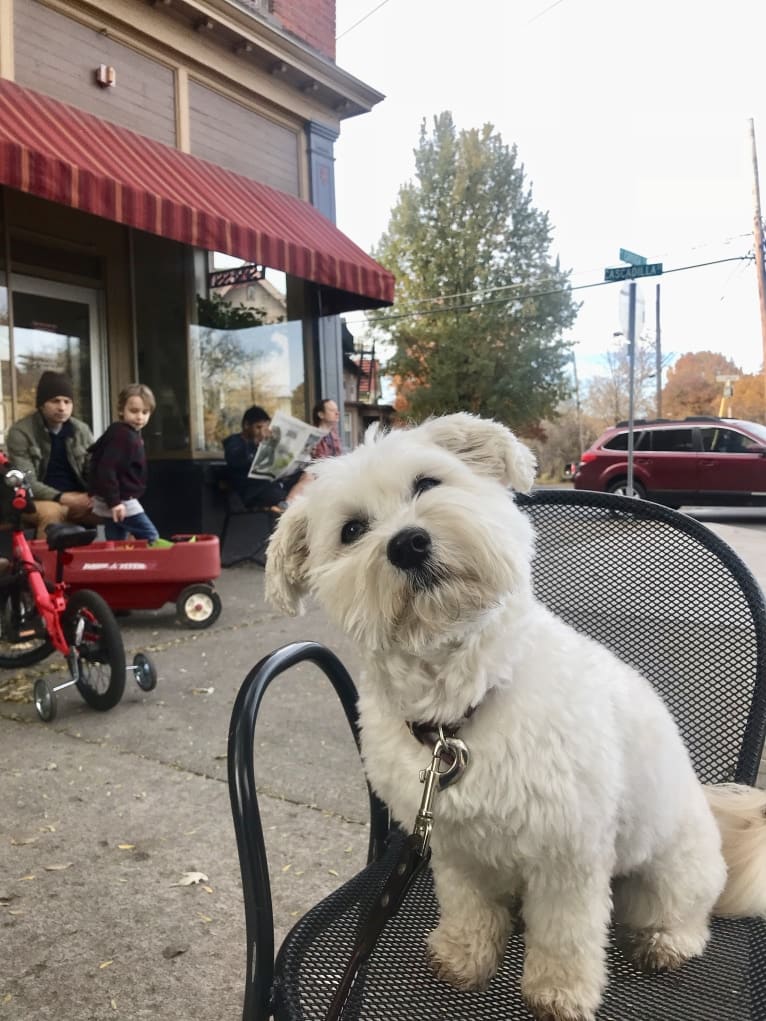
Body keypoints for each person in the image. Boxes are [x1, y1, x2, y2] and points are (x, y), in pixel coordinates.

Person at [6, 370, 96, 538]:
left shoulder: (81, 430)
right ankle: (44, 564)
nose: (62, 407)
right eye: (55, 401)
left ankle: (125, 559)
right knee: (51, 512)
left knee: (124, 509)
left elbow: (94, 468)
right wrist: (63, 497)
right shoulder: (21, 432)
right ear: (42, 404)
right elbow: (27, 482)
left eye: (67, 401)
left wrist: (96, 494)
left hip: (79, 497)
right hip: (35, 501)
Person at [88, 383, 160, 543]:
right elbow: (107, 469)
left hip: (113, 498)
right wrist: (115, 502)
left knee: (116, 542)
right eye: (134, 411)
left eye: (145, 412)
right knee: (151, 536)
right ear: (121, 410)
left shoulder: (123, 433)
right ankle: (157, 567)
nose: (140, 417)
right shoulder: (123, 436)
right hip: (121, 500)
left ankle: (119, 567)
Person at [223, 405, 308, 511]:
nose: (262, 432)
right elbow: (237, 460)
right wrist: (255, 443)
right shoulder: (234, 442)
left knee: (309, 474)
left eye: (265, 427)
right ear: (246, 425)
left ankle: (285, 504)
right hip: (254, 490)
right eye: (258, 427)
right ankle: (285, 505)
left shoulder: (267, 441)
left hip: (274, 483)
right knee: (294, 499)